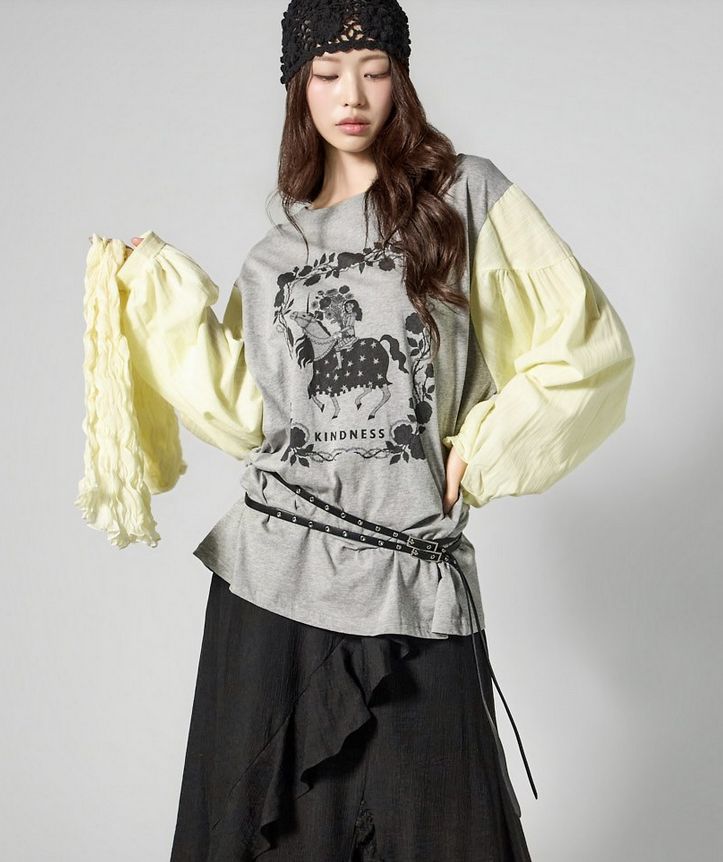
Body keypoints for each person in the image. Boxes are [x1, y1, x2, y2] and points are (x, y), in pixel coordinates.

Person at [76, 1, 635, 859]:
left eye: (374, 71)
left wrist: (482, 452)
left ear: (399, 81)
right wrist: (154, 296)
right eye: (327, 75)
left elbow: (584, 348)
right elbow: (252, 418)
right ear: (297, 89)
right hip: (273, 581)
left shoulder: (463, 196)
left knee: (443, 830)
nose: (351, 95)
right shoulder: (275, 256)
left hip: (411, 572)